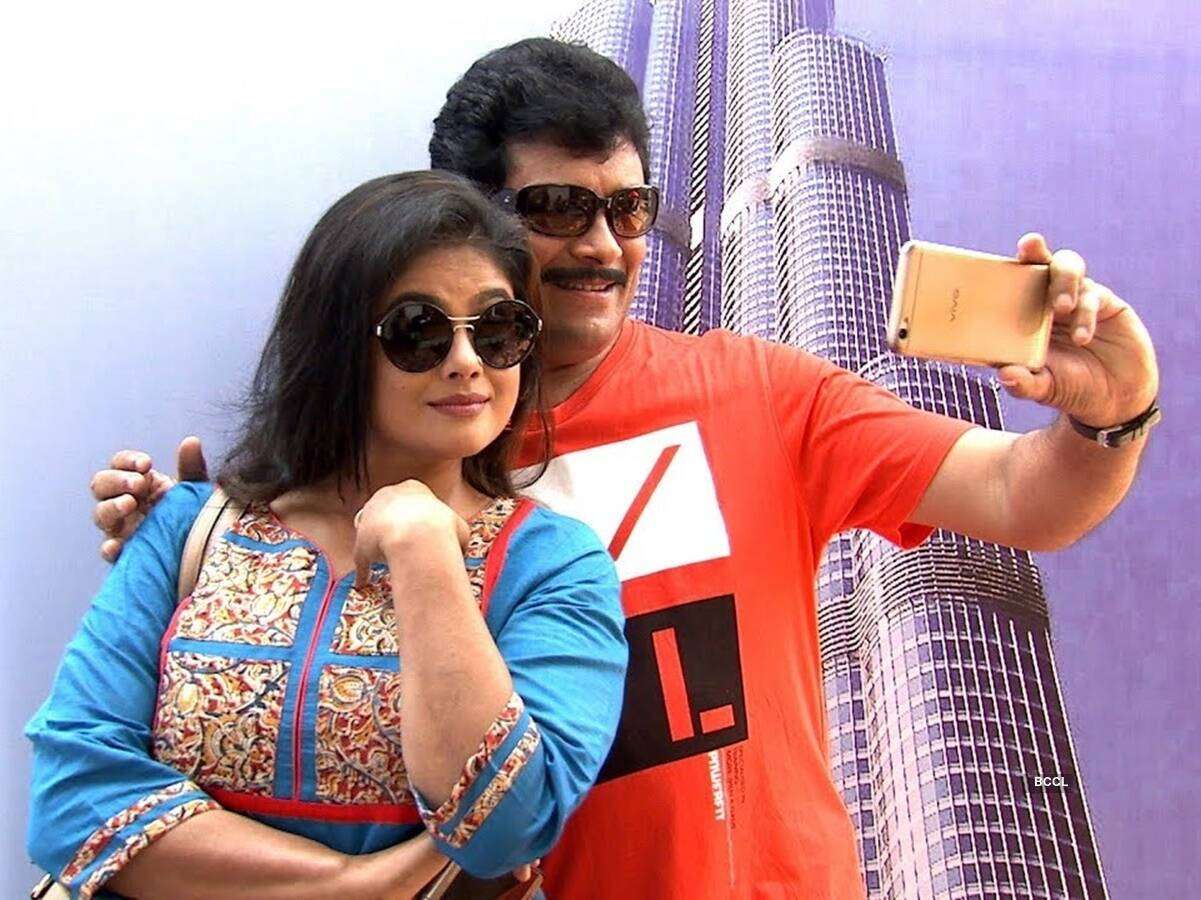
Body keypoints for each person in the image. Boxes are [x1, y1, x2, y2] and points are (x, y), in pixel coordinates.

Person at [86, 39, 1160, 899]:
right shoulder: (393, 449)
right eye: (559, 209)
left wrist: (1110, 412)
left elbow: (1020, 497)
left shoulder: (760, 391)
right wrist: (204, 560)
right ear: (471, 216)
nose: (604, 245)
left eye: (629, 208)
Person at [29, 170, 628, 899]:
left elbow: (509, 826)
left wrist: (425, 555)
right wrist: (352, 885)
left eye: (498, 329)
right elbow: (72, 793)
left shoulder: (551, 564)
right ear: (336, 346)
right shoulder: (190, 529)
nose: (467, 361)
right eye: (418, 330)